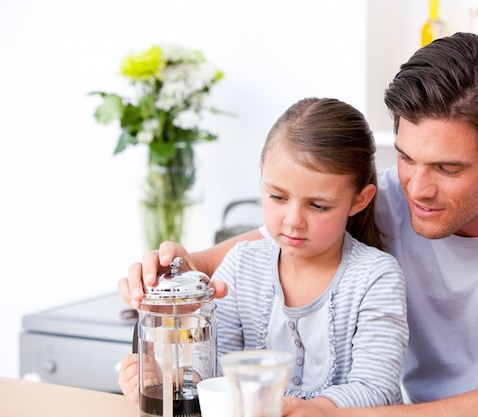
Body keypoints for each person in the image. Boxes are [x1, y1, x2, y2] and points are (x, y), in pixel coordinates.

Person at [120, 33, 478, 417]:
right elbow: (257, 247)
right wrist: (170, 264)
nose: (417, 189)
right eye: (406, 157)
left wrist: (338, 412)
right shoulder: (385, 196)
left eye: (447, 169)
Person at [118, 97, 409, 408]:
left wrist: (312, 410)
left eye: (318, 205)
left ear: (359, 200)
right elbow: (211, 370)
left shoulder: (376, 277)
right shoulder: (242, 264)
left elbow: (374, 388)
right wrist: (166, 380)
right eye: (277, 196)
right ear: (261, 176)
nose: (293, 221)